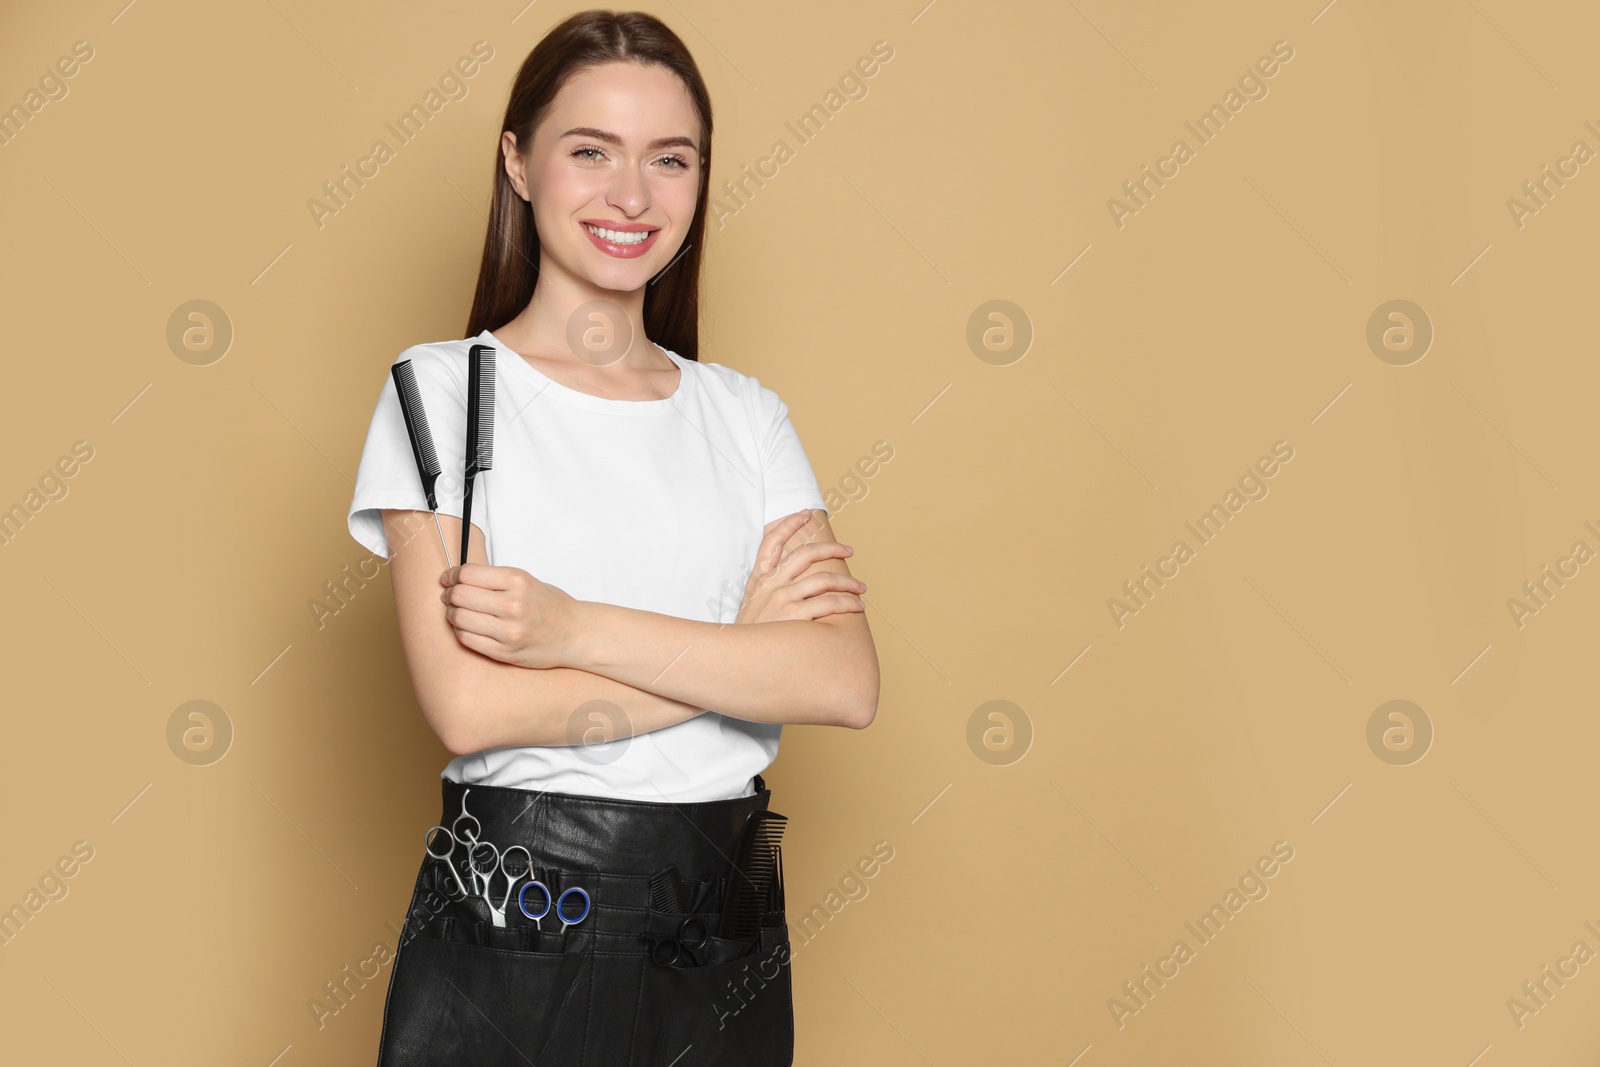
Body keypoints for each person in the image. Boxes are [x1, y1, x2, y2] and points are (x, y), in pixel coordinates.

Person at [344, 10, 878, 1065]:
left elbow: (842, 682)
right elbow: (470, 705)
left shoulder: (743, 414)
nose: (633, 196)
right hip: (515, 921)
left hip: (719, 917)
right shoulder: (445, 393)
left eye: (669, 159)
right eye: (591, 150)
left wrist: (571, 625)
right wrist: (736, 654)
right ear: (519, 162)